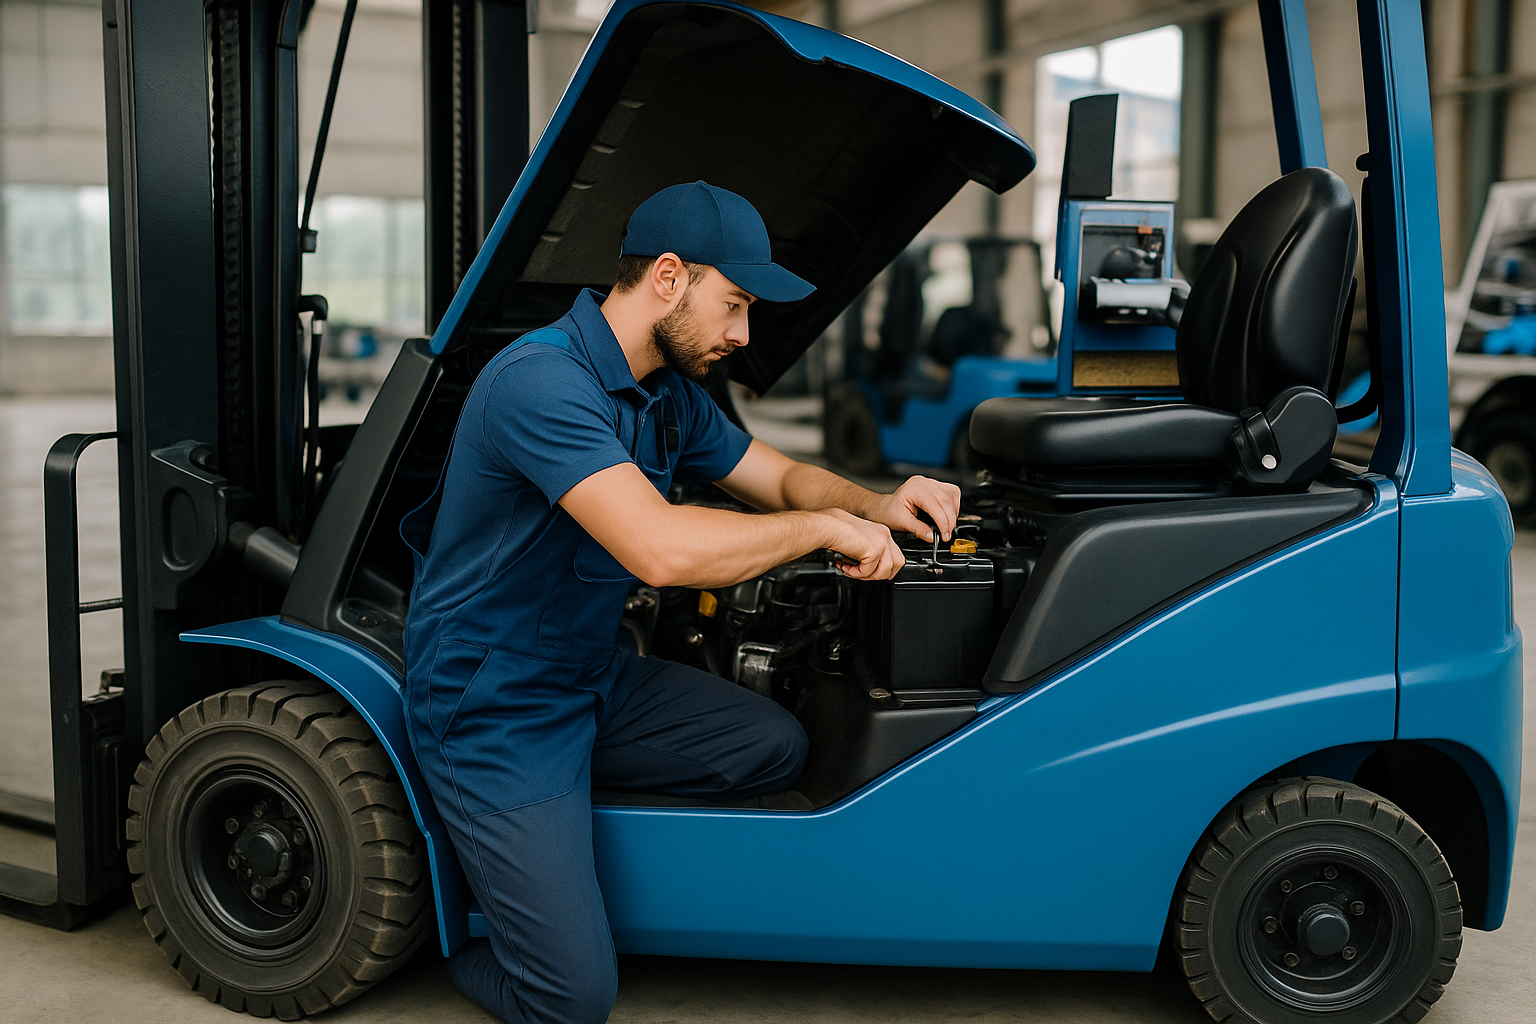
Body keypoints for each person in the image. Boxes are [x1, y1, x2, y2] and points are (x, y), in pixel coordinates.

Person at [401, 181, 960, 1024]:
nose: (742, 334)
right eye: (732, 304)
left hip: (590, 676)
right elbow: (661, 552)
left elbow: (775, 475)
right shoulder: (540, 383)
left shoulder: (666, 393)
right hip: (492, 702)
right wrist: (822, 531)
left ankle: (547, 824)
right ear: (668, 277)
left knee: (773, 746)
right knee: (568, 1000)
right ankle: (451, 933)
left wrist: (873, 506)